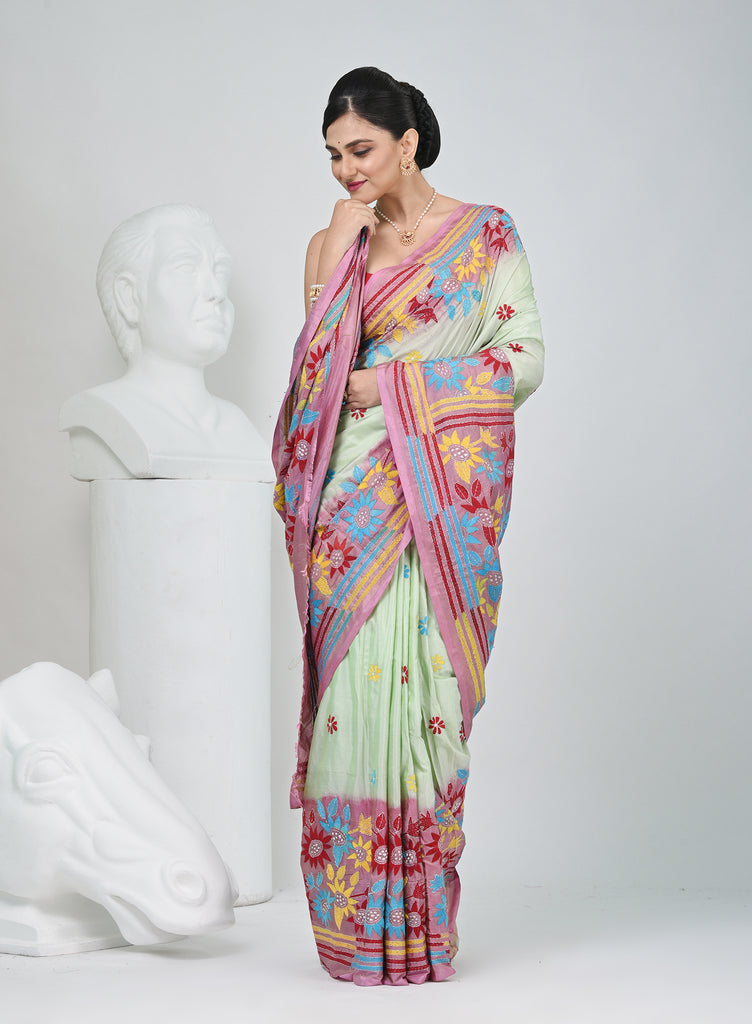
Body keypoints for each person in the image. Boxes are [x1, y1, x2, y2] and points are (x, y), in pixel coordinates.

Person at [273, 67, 544, 986]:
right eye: (333, 155)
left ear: (408, 142)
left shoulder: (484, 235)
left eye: (361, 149)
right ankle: (353, 933)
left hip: (436, 509)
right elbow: (314, 386)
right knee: (349, 714)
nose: (346, 169)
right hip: (351, 508)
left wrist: (393, 385)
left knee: (426, 708)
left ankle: (420, 933)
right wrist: (340, 248)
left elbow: (523, 358)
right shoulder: (331, 241)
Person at [60, 204, 267, 481]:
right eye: (186, 267)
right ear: (128, 296)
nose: (216, 291)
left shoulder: (238, 427)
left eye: (219, 271)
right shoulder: (103, 411)